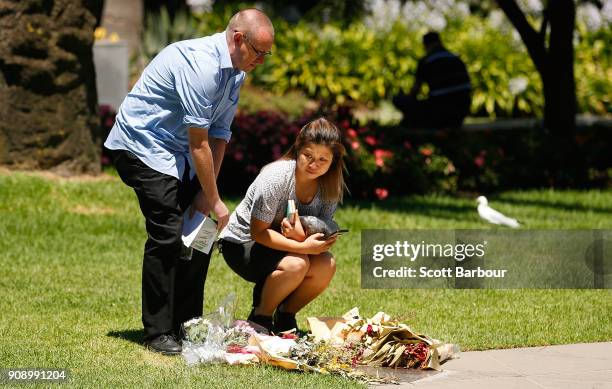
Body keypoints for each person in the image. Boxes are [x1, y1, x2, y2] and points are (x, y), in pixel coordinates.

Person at [103, 9, 274, 355]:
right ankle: (156, 332)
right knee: (167, 231)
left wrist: (201, 194)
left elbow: (219, 136)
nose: (262, 60)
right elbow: (199, 143)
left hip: (177, 154)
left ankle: (186, 323)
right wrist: (214, 198)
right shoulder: (202, 65)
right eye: (259, 51)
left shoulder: (235, 73)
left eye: (267, 54)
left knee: (198, 235)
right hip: (141, 146)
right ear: (238, 39)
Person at [218, 118, 346, 333]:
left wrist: (304, 237)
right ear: (298, 149)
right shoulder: (276, 176)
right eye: (308, 156)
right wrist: (302, 246)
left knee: (326, 264)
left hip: (286, 243)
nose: (314, 164)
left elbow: (324, 232)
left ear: (334, 160)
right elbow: (258, 232)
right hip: (243, 243)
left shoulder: (330, 185)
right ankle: (261, 317)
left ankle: (286, 315)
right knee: (297, 263)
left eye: (323, 159)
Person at [392, 31, 471, 128]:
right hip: (461, 112)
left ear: (425, 45)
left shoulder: (427, 61)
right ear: (440, 42)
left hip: (439, 112)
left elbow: (415, 91)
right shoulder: (455, 58)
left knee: (399, 99)